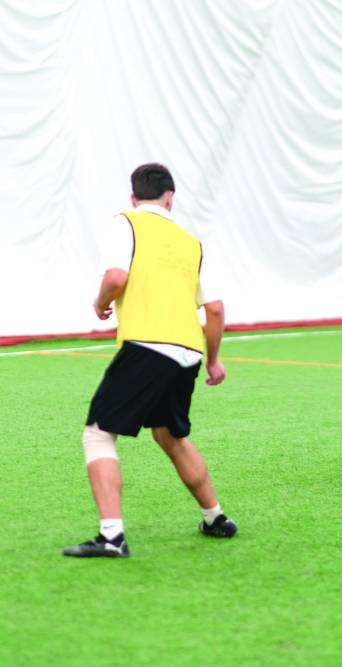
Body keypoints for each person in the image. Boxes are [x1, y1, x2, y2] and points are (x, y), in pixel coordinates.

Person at [63, 163, 237, 558]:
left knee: (98, 433)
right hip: (188, 353)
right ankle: (215, 518)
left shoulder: (124, 223)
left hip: (146, 346)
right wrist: (213, 360)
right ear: (170, 198)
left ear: (133, 196)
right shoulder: (191, 243)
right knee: (170, 436)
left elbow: (116, 277)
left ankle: (111, 537)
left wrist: (101, 302)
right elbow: (215, 309)